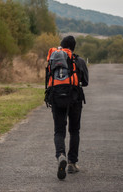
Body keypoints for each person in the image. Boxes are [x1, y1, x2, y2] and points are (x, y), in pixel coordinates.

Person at [50, 35, 89, 180]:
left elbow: (49, 79)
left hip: (56, 97)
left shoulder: (54, 59)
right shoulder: (78, 61)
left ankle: (61, 155)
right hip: (74, 99)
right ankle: (72, 163)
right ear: (73, 47)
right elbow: (85, 82)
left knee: (59, 131)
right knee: (74, 130)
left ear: (61, 45)